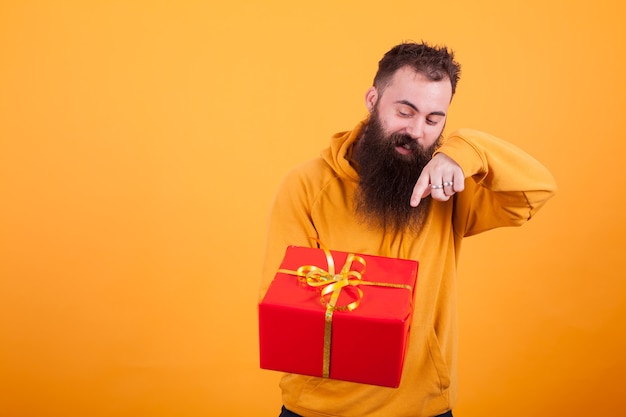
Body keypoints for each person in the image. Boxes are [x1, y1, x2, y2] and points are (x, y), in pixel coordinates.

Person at [260, 42, 556, 417]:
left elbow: (537, 189)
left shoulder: (449, 186)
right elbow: (284, 304)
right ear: (372, 99)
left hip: (422, 406)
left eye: (434, 120)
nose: (416, 131)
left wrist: (466, 151)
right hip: (318, 408)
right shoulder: (306, 186)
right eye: (405, 111)